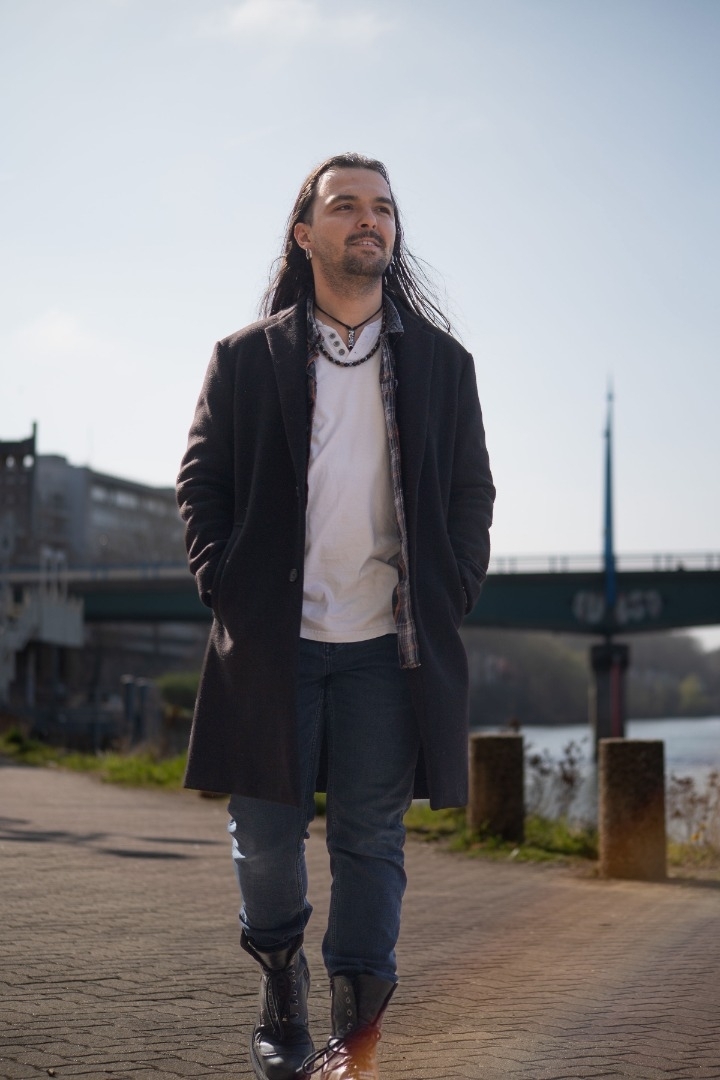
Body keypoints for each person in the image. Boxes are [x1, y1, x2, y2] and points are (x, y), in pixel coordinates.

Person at [176, 153, 495, 1080]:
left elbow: (471, 493)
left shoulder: (443, 364)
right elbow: (202, 482)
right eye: (346, 205)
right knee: (265, 839)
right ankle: (281, 982)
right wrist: (225, 584)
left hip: (388, 649)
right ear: (304, 232)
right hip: (271, 647)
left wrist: (451, 588)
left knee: (371, 842)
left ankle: (356, 1036)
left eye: (383, 208)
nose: (369, 220)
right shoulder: (246, 358)